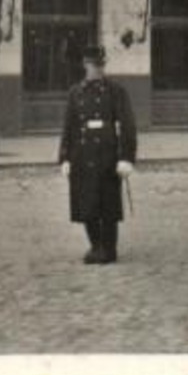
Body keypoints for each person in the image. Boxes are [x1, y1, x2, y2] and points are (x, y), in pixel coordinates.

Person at [57, 46, 138, 265]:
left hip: (107, 155)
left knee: (108, 204)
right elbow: (69, 127)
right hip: (82, 155)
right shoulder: (75, 92)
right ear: (85, 65)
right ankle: (95, 246)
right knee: (86, 204)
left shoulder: (115, 91)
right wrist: (64, 157)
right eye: (95, 65)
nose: (99, 70)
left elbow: (127, 125)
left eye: (101, 65)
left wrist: (126, 157)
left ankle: (109, 249)